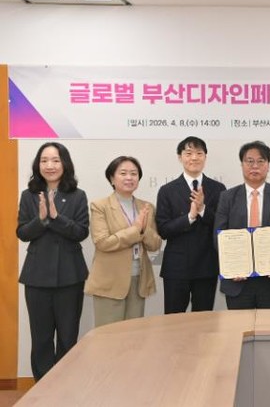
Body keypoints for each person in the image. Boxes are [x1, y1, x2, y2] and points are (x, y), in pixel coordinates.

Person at [16, 142, 89, 381]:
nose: (50, 165)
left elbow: (81, 232)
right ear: (38, 165)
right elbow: (22, 233)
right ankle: (42, 389)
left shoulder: (78, 195)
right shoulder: (28, 195)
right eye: (44, 160)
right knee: (41, 339)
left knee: (68, 338)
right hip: (37, 277)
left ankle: (64, 389)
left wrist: (56, 218)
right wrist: (41, 220)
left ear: (64, 163)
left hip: (70, 276)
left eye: (56, 160)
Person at [214, 141, 270, 309]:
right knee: (239, 325)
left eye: (260, 161)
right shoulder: (227, 197)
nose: (255, 166)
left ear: (268, 165)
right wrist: (231, 267)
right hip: (238, 280)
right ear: (242, 165)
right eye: (249, 161)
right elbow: (219, 235)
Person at [85, 156, 162, 327]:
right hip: (110, 282)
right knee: (108, 335)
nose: (129, 177)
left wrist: (144, 230)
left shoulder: (146, 207)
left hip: (138, 280)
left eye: (134, 174)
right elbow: (102, 242)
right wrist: (135, 230)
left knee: (133, 335)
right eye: (123, 173)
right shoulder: (100, 206)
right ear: (112, 179)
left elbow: (155, 244)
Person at [156, 136, 226, 313]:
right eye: (188, 153)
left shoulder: (218, 188)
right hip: (176, 267)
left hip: (207, 265)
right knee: (173, 321)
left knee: (203, 321)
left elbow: (222, 226)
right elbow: (163, 230)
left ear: (205, 157)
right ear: (180, 157)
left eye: (199, 153)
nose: (194, 158)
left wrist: (202, 209)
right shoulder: (167, 190)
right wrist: (189, 217)